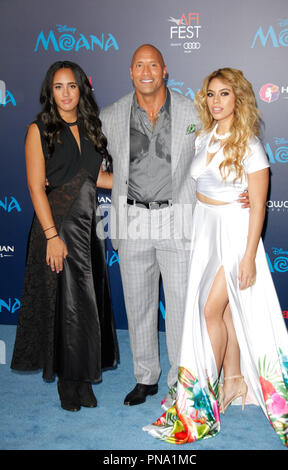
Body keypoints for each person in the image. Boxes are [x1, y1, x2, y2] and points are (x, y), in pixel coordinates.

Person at [143, 68, 288, 450]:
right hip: (205, 228)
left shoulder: (250, 146)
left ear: (238, 99)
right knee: (226, 313)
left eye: (224, 94)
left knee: (208, 310)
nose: (216, 101)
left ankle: (203, 400)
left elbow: (258, 206)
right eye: (211, 94)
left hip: (233, 232)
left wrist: (248, 256)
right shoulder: (204, 137)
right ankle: (234, 382)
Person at [100, 45, 249, 407]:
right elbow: (87, 163)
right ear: (131, 71)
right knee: (138, 306)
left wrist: (241, 188)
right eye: (139, 65)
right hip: (131, 217)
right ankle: (145, 377)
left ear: (164, 70)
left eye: (153, 64)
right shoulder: (111, 115)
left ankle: (179, 380)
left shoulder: (192, 110)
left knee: (183, 308)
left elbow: (226, 142)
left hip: (178, 218)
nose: (146, 71)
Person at [11, 61, 119, 412]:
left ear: (81, 89)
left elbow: (96, 178)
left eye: (72, 85)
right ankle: (67, 384)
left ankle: (84, 378)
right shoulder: (39, 129)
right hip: (55, 226)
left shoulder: (90, 127)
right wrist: (52, 235)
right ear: (50, 91)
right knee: (63, 307)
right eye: (59, 87)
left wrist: (142, 185)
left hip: (88, 228)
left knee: (85, 307)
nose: (66, 93)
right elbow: (34, 186)